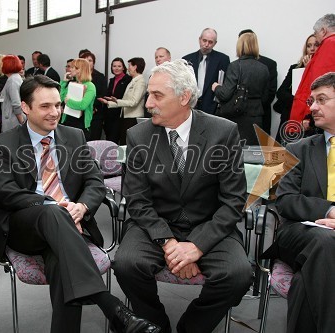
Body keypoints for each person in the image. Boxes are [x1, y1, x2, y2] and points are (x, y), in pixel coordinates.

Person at [0, 74, 160, 333]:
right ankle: (111, 306)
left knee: (61, 264)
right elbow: (5, 192)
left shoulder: (74, 136)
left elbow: (95, 182)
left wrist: (82, 207)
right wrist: (54, 205)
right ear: (25, 107)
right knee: (53, 214)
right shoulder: (4, 143)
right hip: (25, 224)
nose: (55, 112)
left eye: (58, 105)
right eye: (45, 106)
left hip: (71, 224)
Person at [113, 59, 252, 333]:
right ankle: (156, 325)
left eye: (157, 95)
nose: (148, 103)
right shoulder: (138, 135)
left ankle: (193, 327)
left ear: (184, 97)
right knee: (126, 264)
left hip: (210, 224)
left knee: (238, 274)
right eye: (148, 94)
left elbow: (233, 200)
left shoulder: (223, 132)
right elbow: (138, 201)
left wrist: (197, 246)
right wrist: (170, 244)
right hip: (156, 225)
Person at [263, 72, 335, 333]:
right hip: (301, 231)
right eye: (312, 100)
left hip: (320, 250)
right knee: (324, 242)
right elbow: (286, 201)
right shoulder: (297, 149)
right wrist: (329, 210)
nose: (312, 107)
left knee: (307, 279)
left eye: (322, 99)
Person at [212, 31, 269, 146]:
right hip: (256, 118)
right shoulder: (264, 68)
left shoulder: (235, 66)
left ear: (240, 45)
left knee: (234, 155)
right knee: (251, 157)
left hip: (237, 117)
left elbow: (225, 94)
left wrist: (216, 87)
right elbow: (265, 97)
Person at [289, 13, 335, 131]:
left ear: (323, 31)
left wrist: (308, 116)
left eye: (316, 33)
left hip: (322, 117)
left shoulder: (329, 45)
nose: (316, 36)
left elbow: (319, 84)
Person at [274, 34, 319, 143]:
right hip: (291, 118)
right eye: (309, 46)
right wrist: (297, 101)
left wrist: (310, 69)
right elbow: (280, 93)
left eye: (316, 45)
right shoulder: (295, 67)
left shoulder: (324, 69)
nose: (312, 48)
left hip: (312, 120)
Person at [238, 29, 278, 135]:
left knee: (261, 147)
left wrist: (255, 106)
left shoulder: (269, 64)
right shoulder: (236, 65)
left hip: (261, 114)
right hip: (238, 115)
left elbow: (271, 91)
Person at [99, 57, 146, 145]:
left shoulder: (140, 82)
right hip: (126, 117)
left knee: (128, 144)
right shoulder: (134, 80)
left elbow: (133, 102)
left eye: (129, 66)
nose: (128, 69)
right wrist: (110, 102)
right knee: (124, 143)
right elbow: (126, 100)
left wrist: (117, 101)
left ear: (135, 67)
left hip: (133, 118)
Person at [183, 28, 230, 114]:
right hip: (190, 106)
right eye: (204, 40)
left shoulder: (223, 59)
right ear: (199, 39)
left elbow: (225, 85)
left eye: (210, 42)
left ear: (215, 43)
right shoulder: (187, 59)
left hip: (212, 108)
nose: (206, 44)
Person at [60, 58, 96, 141]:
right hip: (67, 121)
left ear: (81, 70)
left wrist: (68, 101)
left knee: (79, 152)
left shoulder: (90, 86)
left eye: (74, 67)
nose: (70, 69)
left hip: (81, 125)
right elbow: (60, 98)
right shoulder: (72, 83)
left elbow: (83, 105)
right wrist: (64, 82)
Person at [101, 57, 132, 143]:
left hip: (120, 114)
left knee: (117, 140)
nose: (116, 68)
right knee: (109, 140)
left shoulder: (128, 79)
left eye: (119, 66)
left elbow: (127, 97)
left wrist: (114, 100)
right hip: (109, 114)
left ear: (123, 67)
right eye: (114, 66)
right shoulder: (111, 80)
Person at [80, 51, 107, 140]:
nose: (87, 63)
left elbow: (102, 95)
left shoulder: (100, 76)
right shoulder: (77, 77)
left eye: (90, 60)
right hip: (80, 113)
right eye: (85, 60)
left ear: (94, 63)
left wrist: (92, 107)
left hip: (95, 113)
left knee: (93, 141)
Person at [0, 55, 26, 133]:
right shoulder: (14, 78)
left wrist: (22, 122)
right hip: (13, 122)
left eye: (3, 63)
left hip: (13, 123)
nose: (1, 66)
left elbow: (16, 104)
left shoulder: (12, 81)